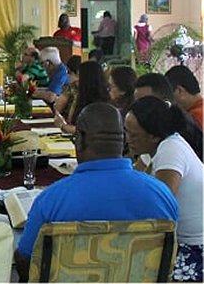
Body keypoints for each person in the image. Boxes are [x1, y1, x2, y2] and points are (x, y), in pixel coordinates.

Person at [15, 102, 179, 281]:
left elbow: (26, 259)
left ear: (80, 138)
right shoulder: (162, 196)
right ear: (123, 140)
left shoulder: (52, 200)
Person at [125, 97, 203, 281]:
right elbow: (131, 183)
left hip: (193, 250)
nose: (128, 140)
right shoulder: (155, 147)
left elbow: (159, 208)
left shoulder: (170, 150)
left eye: (133, 135)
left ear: (153, 135)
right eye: (126, 132)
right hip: (178, 241)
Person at [54, 61, 109, 134]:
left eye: (79, 76)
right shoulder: (81, 94)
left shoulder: (100, 103)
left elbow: (86, 131)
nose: (76, 80)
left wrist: (63, 126)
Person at [53, 56, 81, 121]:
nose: (67, 75)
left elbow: (58, 107)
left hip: (67, 126)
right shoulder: (92, 87)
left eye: (68, 72)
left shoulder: (71, 87)